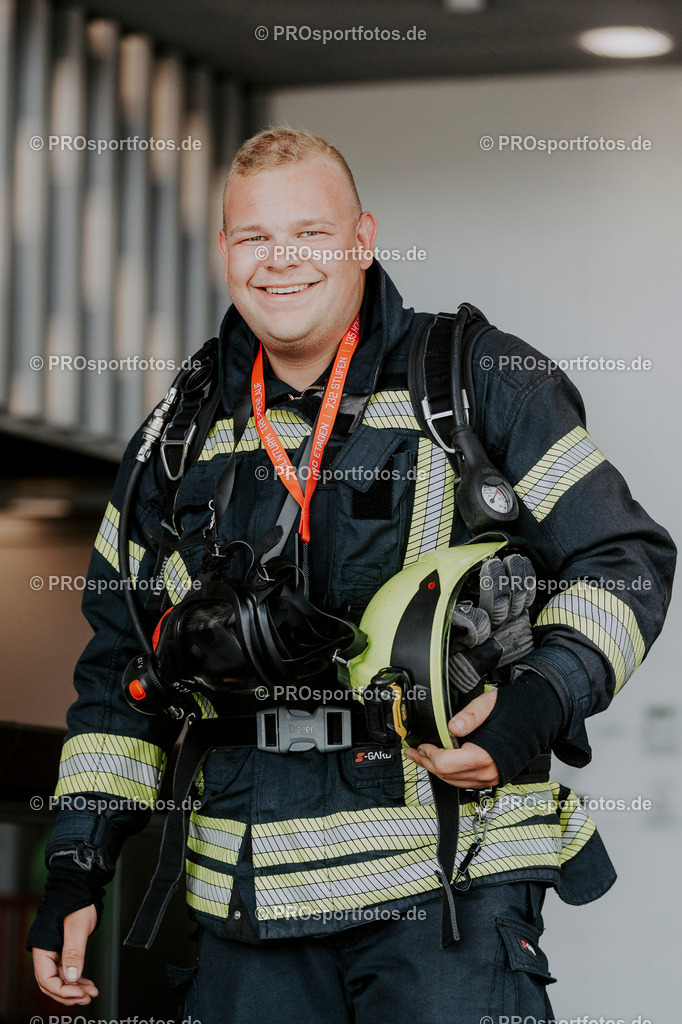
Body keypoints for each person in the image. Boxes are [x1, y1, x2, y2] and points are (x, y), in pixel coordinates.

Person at [29, 128, 675, 1022]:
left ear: (362, 240)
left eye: (311, 234)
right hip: (247, 906)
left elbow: (626, 561)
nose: (280, 261)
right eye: (254, 238)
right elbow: (120, 668)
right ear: (224, 251)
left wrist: (535, 705)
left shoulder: (479, 380)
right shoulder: (179, 433)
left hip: (446, 890)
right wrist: (77, 863)